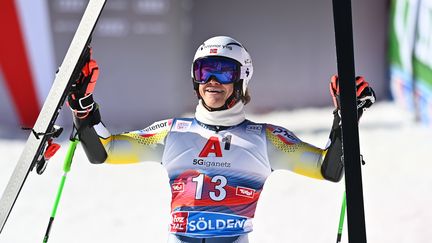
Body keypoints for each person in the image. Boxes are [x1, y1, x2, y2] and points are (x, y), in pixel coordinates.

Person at [67, 36, 376, 243]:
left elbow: (328, 169)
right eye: (204, 71)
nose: (212, 81)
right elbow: (103, 152)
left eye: (224, 72)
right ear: (194, 79)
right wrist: (83, 108)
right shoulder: (171, 132)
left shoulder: (266, 139)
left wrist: (345, 120)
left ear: (242, 79)